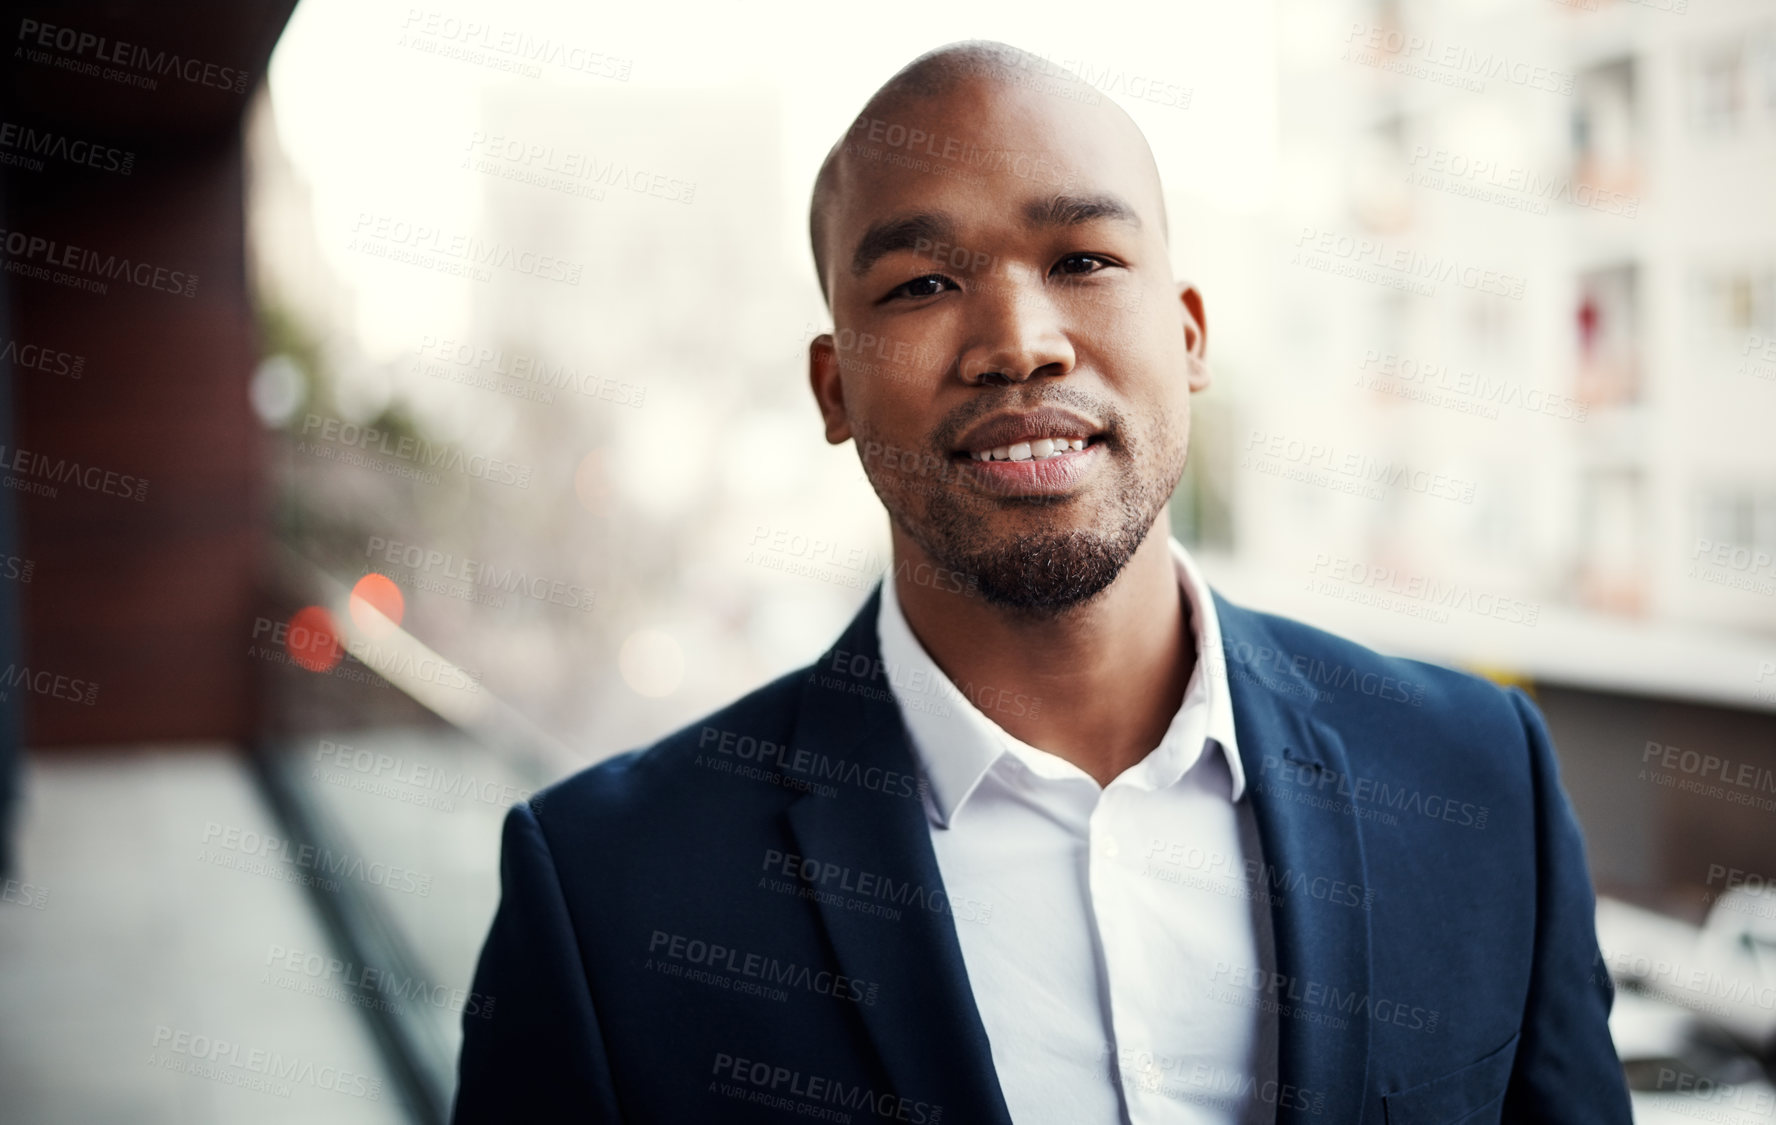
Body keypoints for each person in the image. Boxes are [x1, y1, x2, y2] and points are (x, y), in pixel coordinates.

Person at [451, 40, 1632, 1124]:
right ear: (833, 390)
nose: (1019, 340)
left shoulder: (1480, 779)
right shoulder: (610, 897)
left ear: (1190, 337)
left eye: (1083, 258)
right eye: (919, 284)